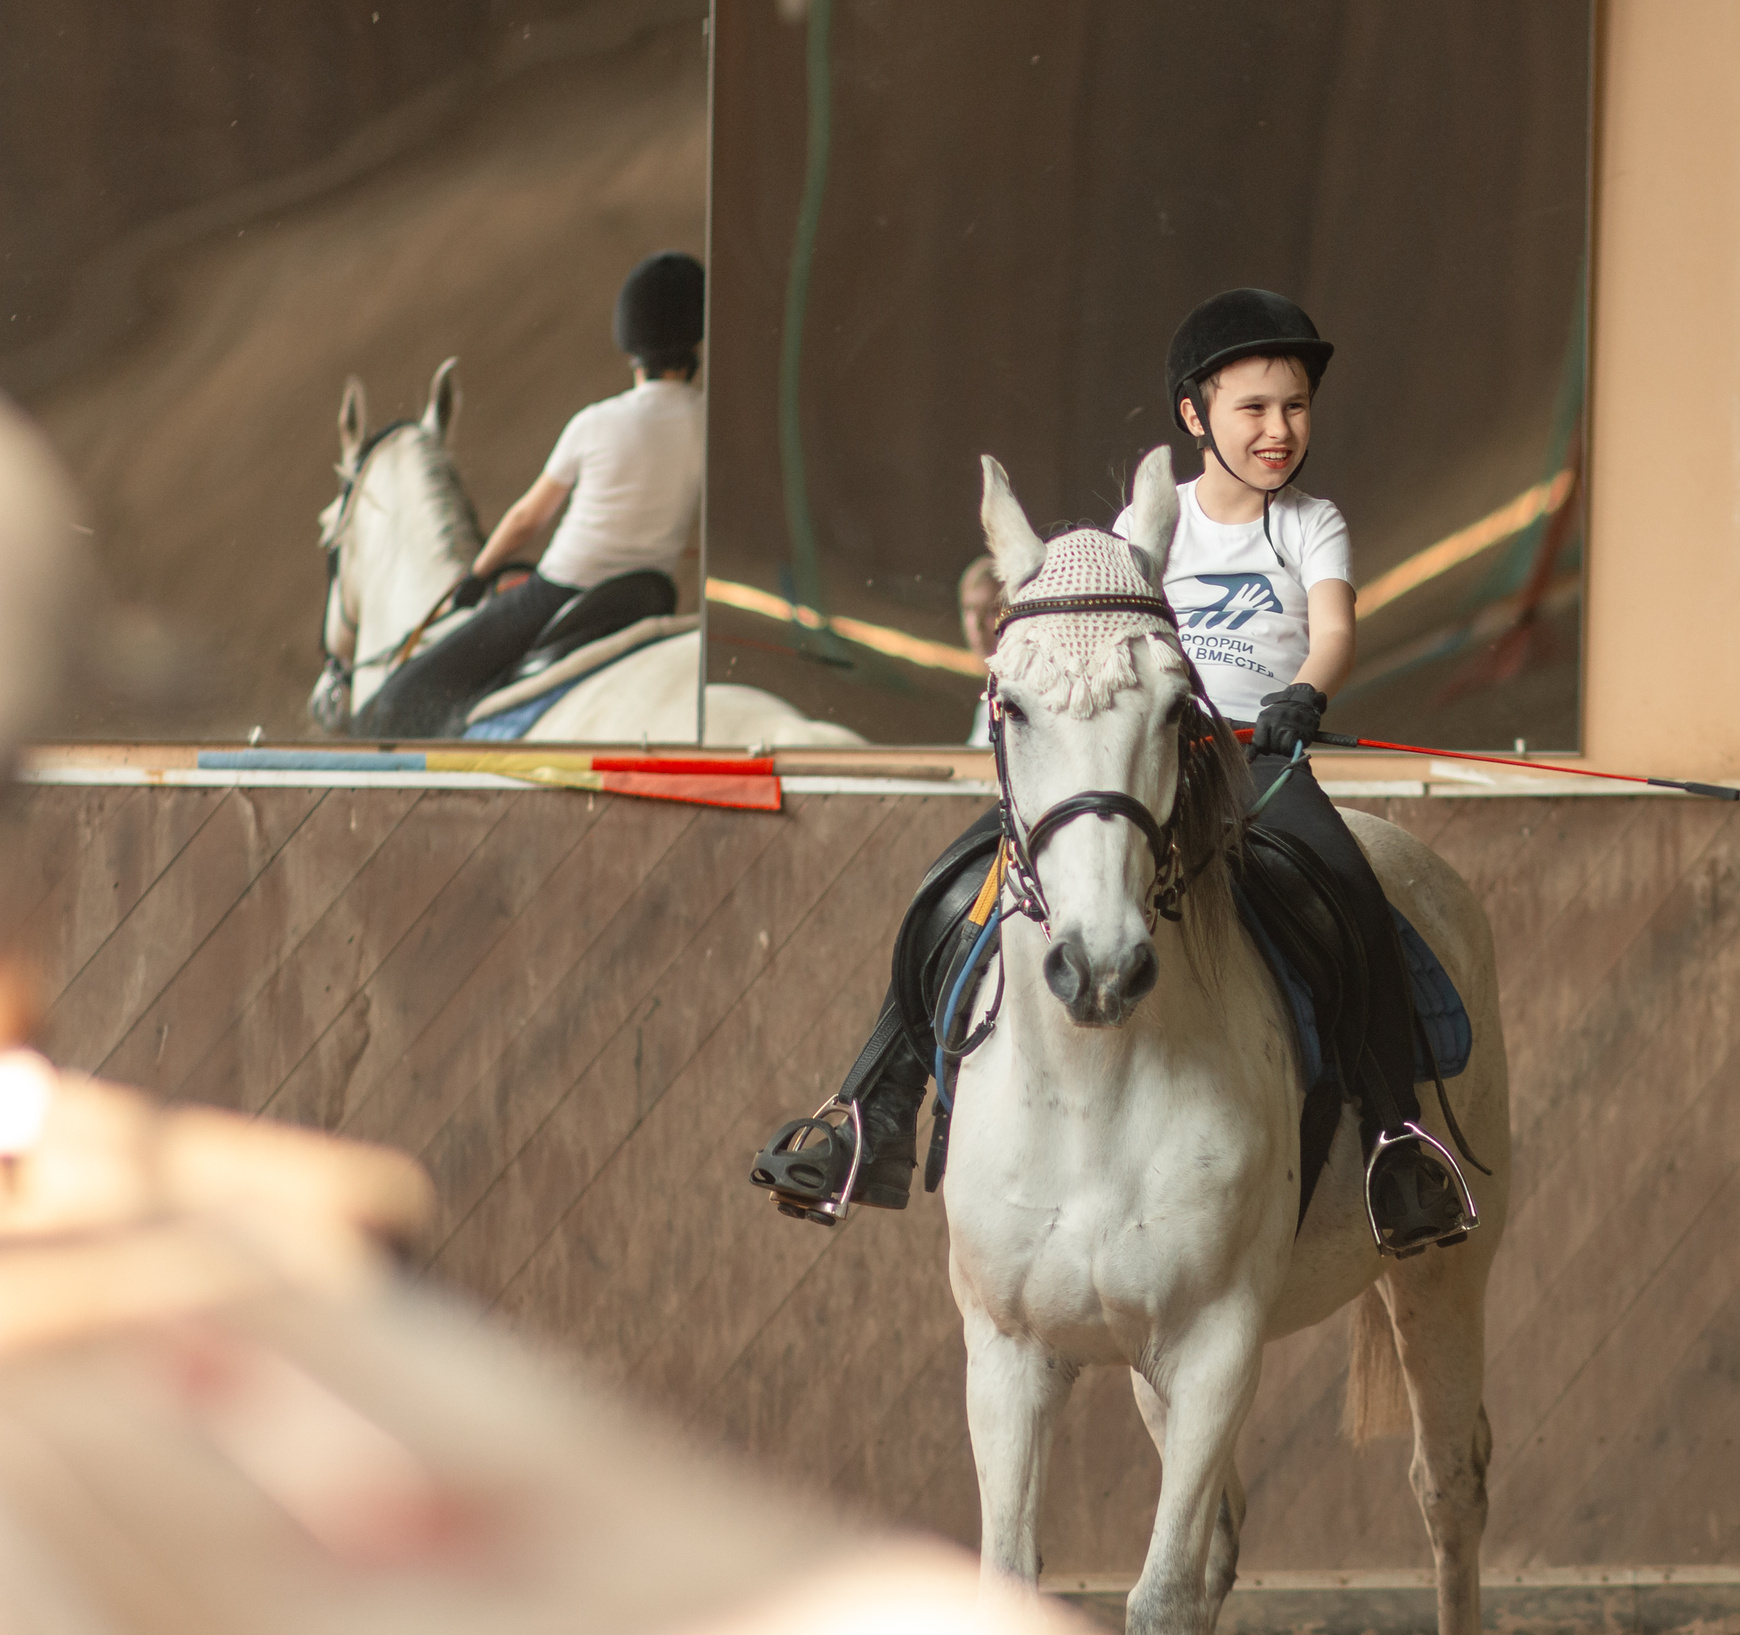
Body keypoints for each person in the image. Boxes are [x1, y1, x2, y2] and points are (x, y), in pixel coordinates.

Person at [759, 288, 1472, 1257]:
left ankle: (1393, 1138)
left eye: (1294, 407)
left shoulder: (1311, 522)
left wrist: (1304, 693)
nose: (1278, 429)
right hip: (1147, 753)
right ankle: (868, 1106)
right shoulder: (1151, 522)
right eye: (1252, 408)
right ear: (1194, 415)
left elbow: (1335, 629)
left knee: (1345, 888)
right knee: (957, 886)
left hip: (1258, 758)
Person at [352, 251, 707, 738]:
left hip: (563, 588)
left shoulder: (596, 422)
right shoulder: (710, 423)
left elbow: (527, 520)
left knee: (396, 704)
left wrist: (475, 577)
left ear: (631, 349)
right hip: (645, 595)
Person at [958, 554, 1000, 746]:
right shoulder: (986, 705)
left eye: (991, 610)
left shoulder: (1017, 705)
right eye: (970, 609)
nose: (977, 625)